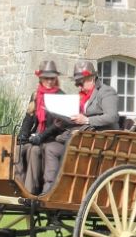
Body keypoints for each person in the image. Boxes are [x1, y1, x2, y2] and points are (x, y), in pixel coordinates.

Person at [40, 59, 121, 190]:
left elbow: (112, 116)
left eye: (80, 82)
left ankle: (62, 187)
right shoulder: (82, 96)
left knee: (71, 143)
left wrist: (87, 120)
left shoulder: (106, 92)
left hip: (101, 139)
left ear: (91, 78)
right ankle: (48, 188)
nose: (78, 86)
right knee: (51, 148)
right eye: (77, 83)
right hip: (82, 135)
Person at [14, 59, 65, 193]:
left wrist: (41, 136)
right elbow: (29, 117)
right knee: (17, 149)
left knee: (34, 151)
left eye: (52, 78)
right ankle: (17, 186)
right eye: (46, 78)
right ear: (41, 78)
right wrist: (23, 134)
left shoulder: (60, 96)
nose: (49, 81)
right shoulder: (36, 95)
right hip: (36, 136)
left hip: (52, 137)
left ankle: (31, 190)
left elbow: (58, 125)